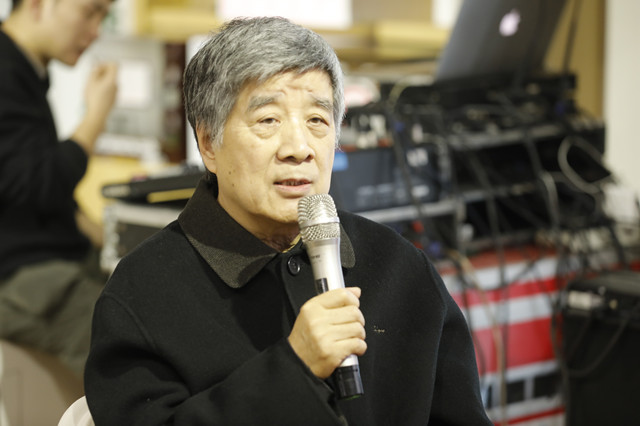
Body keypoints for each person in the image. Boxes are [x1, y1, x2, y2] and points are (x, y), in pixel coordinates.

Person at [84, 16, 492, 425]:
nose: (299, 148)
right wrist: (295, 367)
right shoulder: (142, 294)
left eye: (317, 120)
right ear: (208, 144)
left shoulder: (400, 268)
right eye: (268, 120)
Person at [0, 0, 118, 377]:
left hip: (41, 261)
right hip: (20, 277)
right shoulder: (5, 71)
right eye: (89, 12)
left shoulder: (23, 69)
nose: (96, 31)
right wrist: (95, 116)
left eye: (103, 16)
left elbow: (24, 190)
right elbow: (38, 182)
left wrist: (110, 239)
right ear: (38, 4)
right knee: (136, 343)